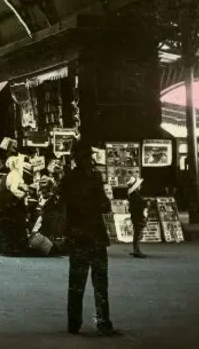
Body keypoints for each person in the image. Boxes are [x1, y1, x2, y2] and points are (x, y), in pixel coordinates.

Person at [60, 140, 118, 337]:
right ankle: (103, 323)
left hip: (77, 237)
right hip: (95, 236)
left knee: (76, 282)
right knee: (100, 282)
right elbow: (104, 205)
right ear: (87, 158)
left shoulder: (67, 179)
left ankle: (73, 323)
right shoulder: (95, 178)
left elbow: (63, 205)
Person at [126, 176, 147, 259]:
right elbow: (139, 204)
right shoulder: (135, 194)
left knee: (136, 232)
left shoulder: (133, 194)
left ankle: (136, 249)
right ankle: (136, 250)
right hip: (137, 214)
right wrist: (146, 202)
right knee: (138, 232)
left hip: (135, 214)